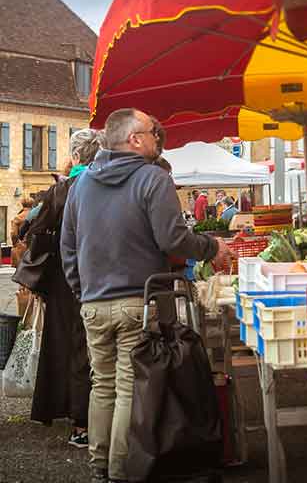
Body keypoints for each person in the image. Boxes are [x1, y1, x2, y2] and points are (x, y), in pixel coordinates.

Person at [61, 108, 232, 483]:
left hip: (93, 303)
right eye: (153, 132)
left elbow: (68, 247)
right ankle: (120, 472)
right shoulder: (153, 179)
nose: (159, 136)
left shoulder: (82, 183)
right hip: (136, 302)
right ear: (134, 139)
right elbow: (173, 239)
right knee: (126, 387)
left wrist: (81, 290)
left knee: (102, 384)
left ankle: (99, 468)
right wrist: (211, 247)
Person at [17, 128, 105, 450]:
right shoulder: (108, 185)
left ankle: (80, 424)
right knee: (98, 351)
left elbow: (32, 229)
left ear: (76, 157)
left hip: (67, 282)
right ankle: (97, 419)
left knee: (73, 349)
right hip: (103, 278)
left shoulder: (63, 190)